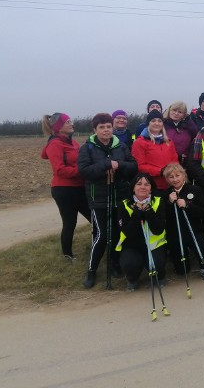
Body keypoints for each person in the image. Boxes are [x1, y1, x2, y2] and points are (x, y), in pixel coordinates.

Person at [77, 112, 138, 289]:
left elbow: (133, 166)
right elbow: (84, 171)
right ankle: (91, 270)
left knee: (117, 233)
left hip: (119, 195)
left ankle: (115, 265)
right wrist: (106, 164)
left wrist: (119, 165)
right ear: (95, 129)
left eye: (108, 127)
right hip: (98, 198)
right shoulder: (87, 148)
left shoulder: (121, 146)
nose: (106, 130)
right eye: (101, 127)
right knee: (101, 235)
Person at [41, 112, 91, 260]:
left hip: (80, 187)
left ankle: (96, 246)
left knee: (94, 218)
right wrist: (82, 171)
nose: (72, 124)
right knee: (70, 222)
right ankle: (67, 255)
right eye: (68, 122)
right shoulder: (55, 144)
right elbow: (60, 169)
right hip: (64, 190)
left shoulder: (73, 142)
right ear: (59, 127)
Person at [115, 173, 167, 292]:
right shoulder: (123, 204)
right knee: (129, 263)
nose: (142, 187)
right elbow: (127, 232)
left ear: (151, 188)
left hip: (154, 244)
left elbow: (159, 229)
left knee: (157, 264)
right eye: (139, 184)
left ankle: (158, 275)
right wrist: (137, 214)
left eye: (146, 184)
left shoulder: (158, 201)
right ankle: (132, 279)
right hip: (132, 245)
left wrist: (148, 212)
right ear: (133, 188)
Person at [163, 163, 204, 281]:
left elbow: (203, 212)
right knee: (182, 270)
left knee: (202, 248)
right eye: (171, 177)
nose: (175, 179)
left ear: (183, 175)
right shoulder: (165, 194)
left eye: (177, 175)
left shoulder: (195, 189)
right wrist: (170, 203)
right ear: (167, 179)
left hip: (194, 230)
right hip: (176, 233)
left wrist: (187, 205)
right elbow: (164, 215)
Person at [131, 110, 178, 193]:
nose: (157, 123)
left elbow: (175, 161)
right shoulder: (140, 142)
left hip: (169, 183)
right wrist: (160, 171)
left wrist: (174, 172)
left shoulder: (169, 141)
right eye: (153, 121)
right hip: (151, 185)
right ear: (148, 123)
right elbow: (139, 165)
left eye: (159, 121)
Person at [163, 101, 198, 167]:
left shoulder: (190, 126)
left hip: (185, 163)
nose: (176, 113)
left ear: (184, 114)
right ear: (169, 110)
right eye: (174, 110)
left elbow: (194, 142)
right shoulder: (162, 125)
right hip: (167, 163)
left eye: (180, 112)